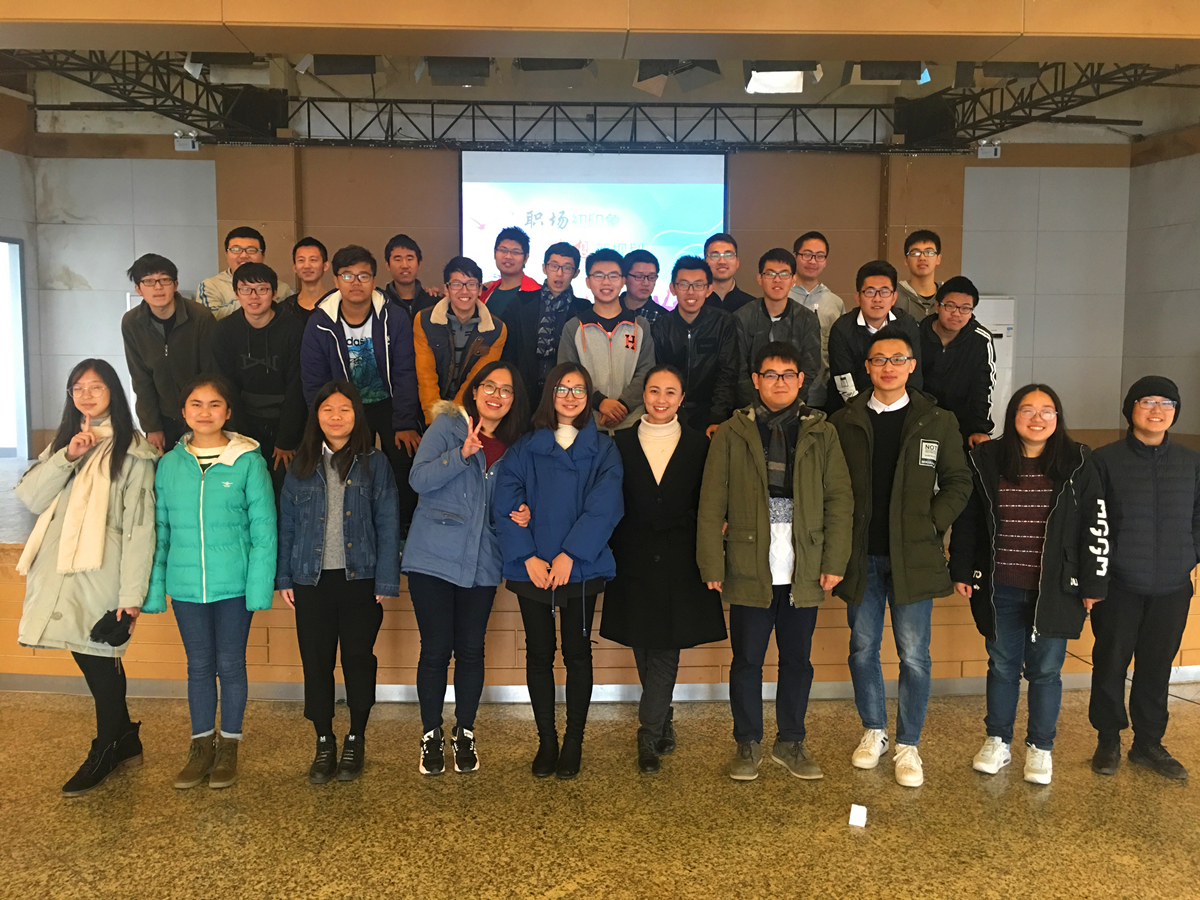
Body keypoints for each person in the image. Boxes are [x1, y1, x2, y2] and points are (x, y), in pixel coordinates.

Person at [698, 341, 854, 782]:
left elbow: (839, 500)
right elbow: (711, 502)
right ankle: (747, 743)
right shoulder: (732, 432)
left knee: (798, 660)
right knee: (747, 659)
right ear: (756, 380)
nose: (779, 382)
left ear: (801, 380)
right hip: (748, 561)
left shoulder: (822, 431)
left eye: (788, 375)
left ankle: (791, 741)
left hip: (804, 564)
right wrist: (711, 564)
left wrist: (834, 559)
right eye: (770, 374)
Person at [830, 326, 972, 788]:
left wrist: (932, 523)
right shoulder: (845, 420)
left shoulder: (937, 420)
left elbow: (959, 481)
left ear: (911, 366)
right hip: (862, 556)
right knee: (862, 648)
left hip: (914, 556)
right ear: (867, 367)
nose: (887, 367)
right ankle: (874, 731)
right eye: (879, 360)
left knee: (914, 655)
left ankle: (909, 744)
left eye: (897, 359)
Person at [15, 360, 158, 796]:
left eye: (96, 387)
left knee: (99, 656)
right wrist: (68, 456)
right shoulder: (66, 442)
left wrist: (131, 596)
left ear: (113, 391)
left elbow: (140, 528)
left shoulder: (132, 450)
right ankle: (124, 738)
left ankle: (106, 746)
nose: (87, 395)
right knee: (92, 656)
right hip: (59, 566)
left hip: (103, 570)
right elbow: (31, 497)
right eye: (78, 388)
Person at [950, 385, 1105, 784]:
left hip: (1055, 588)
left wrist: (1093, 583)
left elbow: (1095, 523)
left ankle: (1040, 747)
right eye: (1027, 410)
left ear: (1058, 417)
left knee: (1046, 671)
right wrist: (962, 569)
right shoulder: (987, 458)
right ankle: (998, 741)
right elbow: (969, 518)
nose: (1038, 419)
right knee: (1002, 666)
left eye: (1047, 411)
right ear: (1013, 415)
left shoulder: (1078, 461)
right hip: (1000, 585)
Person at [143, 375, 276, 790]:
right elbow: (160, 530)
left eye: (214, 404)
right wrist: (155, 589)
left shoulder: (248, 461)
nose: (205, 412)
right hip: (186, 586)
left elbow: (264, 530)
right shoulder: (169, 464)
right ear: (183, 413)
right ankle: (201, 746)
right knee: (199, 666)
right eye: (196, 404)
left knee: (231, 665)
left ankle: (229, 747)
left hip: (234, 586)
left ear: (228, 412)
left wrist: (259, 588)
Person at [494, 362, 624, 780]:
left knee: (578, 654)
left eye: (579, 389)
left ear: (589, 397)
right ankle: (546, 741)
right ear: (550, 394)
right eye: (562, 388)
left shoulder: (603, 449)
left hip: (581, 568)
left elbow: (605, 507)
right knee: (538, 653)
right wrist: (528, 557)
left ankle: (574, 742)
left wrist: (571, 554)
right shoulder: (525, 447)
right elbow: (505, 503)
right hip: (532, 568)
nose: (570, 396)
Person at [403, 361, 530, 776]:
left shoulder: (516, 446)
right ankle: (430, 733)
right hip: (432, 557)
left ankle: (466, 731)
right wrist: (462, 454)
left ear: (513, 401)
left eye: (506, 390)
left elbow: (512, 501)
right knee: (436, 649)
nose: (497, 395)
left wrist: (523, 512)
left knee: (472, 650)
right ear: (474, 392)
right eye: (489, 386)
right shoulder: (448, 427)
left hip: (482, 561)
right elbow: (418, 479)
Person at [602, 365, 727, 774]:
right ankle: (664, 715)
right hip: (632, 556)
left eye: (670, 392)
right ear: (644, 395)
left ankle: (649, 732)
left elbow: (708, 501)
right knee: (643, 643)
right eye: (654, 390)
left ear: (681, 398)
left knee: (666, 648)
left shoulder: (699, 445)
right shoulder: (618, 443)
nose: (661, 399)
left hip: (681, 558)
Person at [277, 381, 399, 784]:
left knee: (358, 660)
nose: (335, 416)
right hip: (310, 580)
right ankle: (324, 739)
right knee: (316, 663)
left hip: (360, 579)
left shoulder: (374, 462)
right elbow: (287, 525)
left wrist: (386, 578)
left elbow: (387, 522)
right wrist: (284, 577)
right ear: (316, 416)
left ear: (357, 415)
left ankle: (356, 737)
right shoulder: (301, 463)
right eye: (327, 409)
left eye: (344, 409)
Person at [1088, 376, 1199, 781]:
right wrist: (1095, 577)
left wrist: (1190, 555)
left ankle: (1148, 743)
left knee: (1157, 667)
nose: (1157, 410)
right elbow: (1092, 523)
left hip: (1172, 587)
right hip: (1119, 585)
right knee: (1110, 664)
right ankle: (1108, 740)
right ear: (1131, 409)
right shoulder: (1104, 460)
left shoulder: (1191, 462)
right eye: (1148, 401)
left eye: (1167, 403)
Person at [300, 244, 421, 538]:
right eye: (347, 275)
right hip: (346, 406)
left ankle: (402, 530)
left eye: (363, 276)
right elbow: (314, 381)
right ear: (336, 280)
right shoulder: (320, 322)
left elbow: (405, 372)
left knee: (402, 462)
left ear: (374, 280)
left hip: (389, 402)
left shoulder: (393, 317)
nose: (356, 283)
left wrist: (405, 422)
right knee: (352, 466)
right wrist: (325, 420)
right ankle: (357, 528)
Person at [212, 262, 307, 500]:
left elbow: (297, 386)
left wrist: (286, 440)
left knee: (284, 489)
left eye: (262, 289)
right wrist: (241, 437)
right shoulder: (224, 331)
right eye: (246, 289)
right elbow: (225, 387)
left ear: (274, 293)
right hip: (242, 424)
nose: (254, 296)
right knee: (246, 490)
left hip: (286, 425)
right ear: (236, 294)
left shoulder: (294, 329)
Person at [121, 253, 216, 452]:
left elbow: (211, 374)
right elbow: (140, 378)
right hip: (163, 417)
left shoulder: (200, 317)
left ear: (175, 284)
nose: (158, 287)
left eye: (164, 280)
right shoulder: (132, 323)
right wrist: (152, 426)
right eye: (149, 281)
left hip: (201, 414)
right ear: (138, 288)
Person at [559, 248, 656, 432]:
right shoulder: (573, 327)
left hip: (632, 423)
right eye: (598, 275)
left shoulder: (640, 326)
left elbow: (646, 371)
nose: (606, 282)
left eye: (613, 276)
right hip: (587, 423)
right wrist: (600, 402)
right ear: (588, 281)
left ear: (623, 281)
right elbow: (568, 373)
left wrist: (622, 406)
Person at [413, 256, 507, 426]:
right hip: (428, 409)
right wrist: (434, 418)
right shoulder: (425, 320)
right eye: (457, 284)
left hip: (469, 410)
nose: (464, 291)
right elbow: (426, 374)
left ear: (480, 289)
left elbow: (477, 377)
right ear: (446, 289)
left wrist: (455, 415)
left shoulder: (496, 330)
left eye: (471, 284)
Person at [651, 256, 739, 436]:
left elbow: (727, 373)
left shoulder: (723, 323)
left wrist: (717, 417)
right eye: (684, 285)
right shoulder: (661, 326)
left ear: (709, 289)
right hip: (670, 412)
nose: (691, 292)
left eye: (698, 285)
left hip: (711, 413)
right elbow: (658, 374)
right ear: (672, 288)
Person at [827, 260, 923, 412]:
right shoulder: (842, 329)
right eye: (870, 292)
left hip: (900, 407)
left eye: (884, 292)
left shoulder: (907, 325)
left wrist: (903, 410)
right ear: (858, 297)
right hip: (852, 409)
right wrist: (867, 413)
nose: (877, 299)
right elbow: (844, 383)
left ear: (894, 297)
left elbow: (914, 376)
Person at [499, 241, 587, 405]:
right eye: (554, 266)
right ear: (544, 268)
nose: (559, 273)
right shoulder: (520, 302)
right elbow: (507, 351)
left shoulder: (584, 310)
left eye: (567, 268)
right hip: (522, 391)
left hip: (566, 394)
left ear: (576, 273)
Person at [733, 248, 821, 407]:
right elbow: (738, 370)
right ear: (760, 278)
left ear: (793, 279)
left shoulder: (807, 319)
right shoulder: (742, 317)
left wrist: (787, 401)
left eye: (784, 274)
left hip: (795, 405)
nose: (777, 280)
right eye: (770, 274)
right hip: (749, 407)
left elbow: (810, 368)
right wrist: (760, 405)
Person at [920, 275, 996, 448]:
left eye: (965, 308)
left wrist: (981, 429)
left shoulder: (980, 340)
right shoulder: (917, 334)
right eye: (950, 306)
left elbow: (983, 386)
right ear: (937, 306)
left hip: (962, 426)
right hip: (920, 421)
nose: (956, 313)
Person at [788, 232, 845, 408]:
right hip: (784, 391)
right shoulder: (781, 297)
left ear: (825, 261)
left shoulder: (835, 303)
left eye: (819, 256)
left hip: (822, 395)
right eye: (807, 254)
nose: (813, 261)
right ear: (795, 256)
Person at [197, 226, 294, 319]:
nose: (243, 255)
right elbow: (209, 319)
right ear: (226, 254)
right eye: (236, 249)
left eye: (251, 250)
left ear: (263, 255)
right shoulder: (211, 285)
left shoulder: (282, 289)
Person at [481, 226, 541, 318]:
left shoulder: (537, 293)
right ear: (495, 253)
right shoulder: (485, 291)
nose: (508, 256)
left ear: (525, 258)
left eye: (515, 252)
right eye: (503, 250)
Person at [382, 233, 439, 320]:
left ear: (419, 264)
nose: (404, 265)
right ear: (387, 265)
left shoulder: (433, 302)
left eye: (409, 259)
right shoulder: (381, 303)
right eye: (398, 259)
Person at [895, 230, 942, 320]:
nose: (922, 258)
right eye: (915, 253)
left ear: (938, 259)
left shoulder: (947, 295)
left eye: (929, 252)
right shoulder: (894, 295)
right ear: (906, 260)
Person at [282, 237, 330, 324]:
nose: (307, 266)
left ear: (325, 266)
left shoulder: (338, 304)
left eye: (313, 260)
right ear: (294, 267)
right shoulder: (284, 309)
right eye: (301, 260)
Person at [703, 233, 755, 314]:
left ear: (737, 262)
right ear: (704, 262)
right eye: (715, 256)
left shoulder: (752, 306)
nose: (722, 261)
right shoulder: (696, 305)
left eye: (728, 255)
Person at [620, 249, 667, 323]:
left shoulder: (664, 319)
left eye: (651, 277)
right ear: (624, 278)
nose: (646, 283)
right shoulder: (607, 310)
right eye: (639, 276)